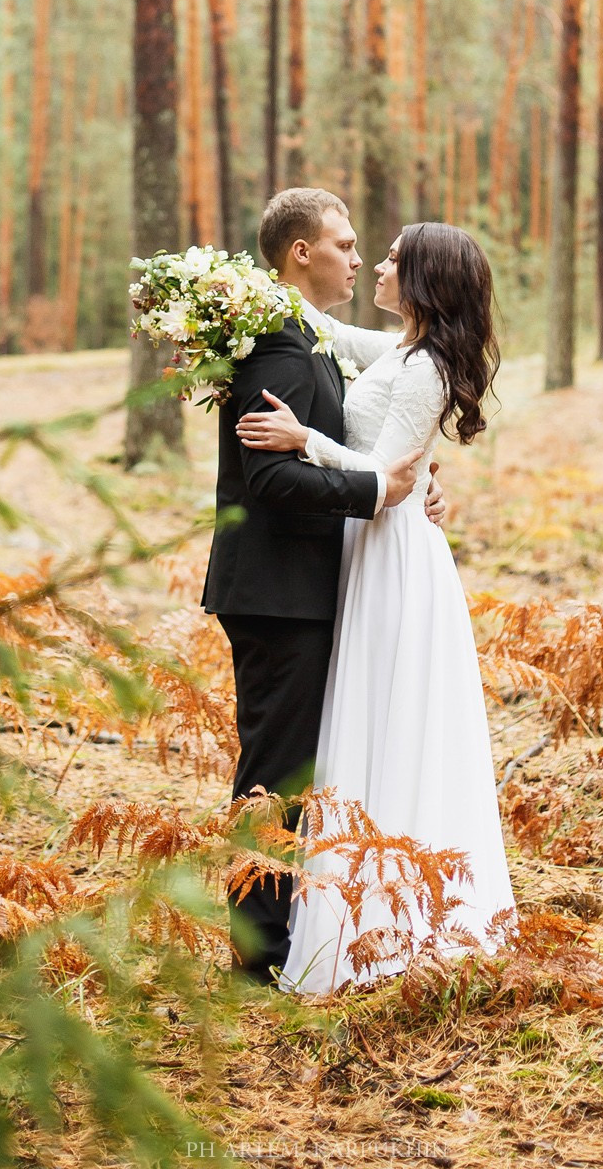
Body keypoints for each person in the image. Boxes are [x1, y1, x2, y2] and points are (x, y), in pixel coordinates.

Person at [237, 220, 514, 995]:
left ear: (422, 277)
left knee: (392, 714)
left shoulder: (425, 366)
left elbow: (385, 472)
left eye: (391, 257)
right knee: (365, 712)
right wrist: (220, 296)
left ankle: (398, 914)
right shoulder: (394, 350)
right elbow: (318, 327)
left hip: (393, 553)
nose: (376, 265)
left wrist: (303, 440)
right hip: (367, 548)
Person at [201, 187, 447, 985]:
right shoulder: (278, 345)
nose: (357, 256)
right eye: (343, 245)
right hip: (277, 590)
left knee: (295, 767)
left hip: (308, 585)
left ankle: (280, 931)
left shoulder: (309, 336)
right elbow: (271, 479)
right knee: (276, 774)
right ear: (300, 253)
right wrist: (377, 494)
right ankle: (256, 953)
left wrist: (413, 478)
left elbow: (371, 427)